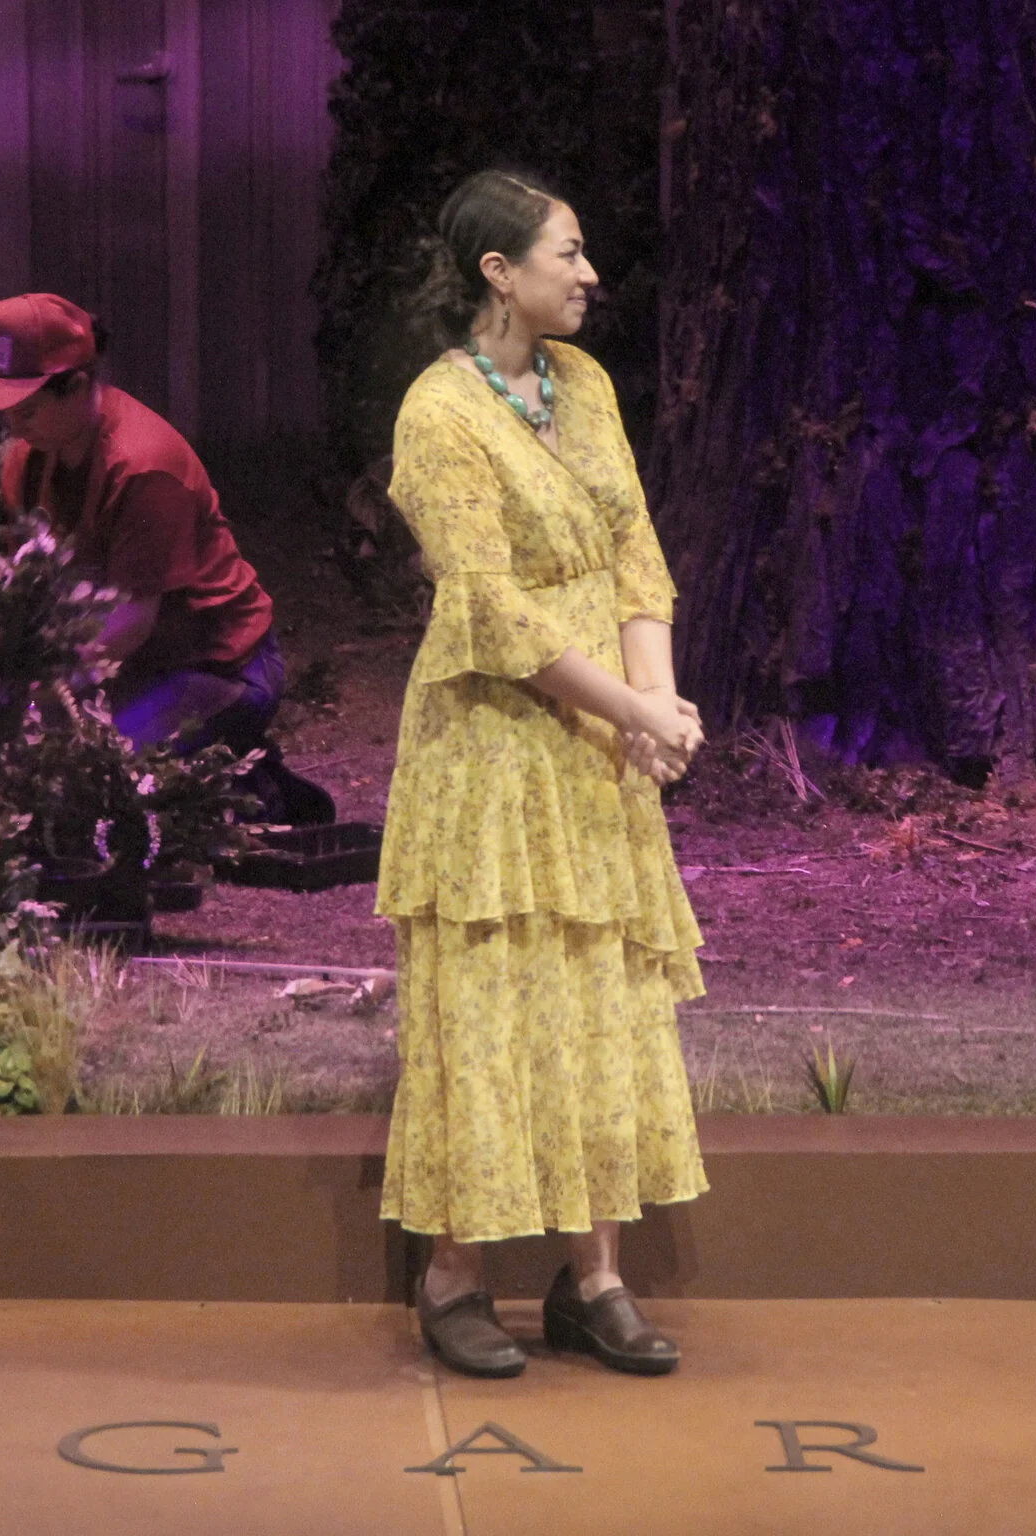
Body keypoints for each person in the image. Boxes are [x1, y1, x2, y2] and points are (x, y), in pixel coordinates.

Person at [379, 170, 710, 1379]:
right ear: (497, 272)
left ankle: (594, 1279)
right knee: (488, 1001)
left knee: (600, 997)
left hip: (599, 737)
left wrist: (654, 703)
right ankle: (454, 1275)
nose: (588, 274)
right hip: (494, 739)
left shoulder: (585, 383)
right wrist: (629, 707)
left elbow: (633, 548)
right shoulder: (439, 413)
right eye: (566, 254)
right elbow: (487, 608)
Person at [0, 294, 325, 817]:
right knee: (17, 760)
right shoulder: (30, 458)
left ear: (77, 386)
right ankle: (207, 764)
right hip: (129, 664)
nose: (13, 425)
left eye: (26, 408)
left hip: (215, 665)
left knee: (100, 776)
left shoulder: (143, 467)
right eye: (5, 409)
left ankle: (256, 786)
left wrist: (42, 688)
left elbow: (133, 621)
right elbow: (30, 586)